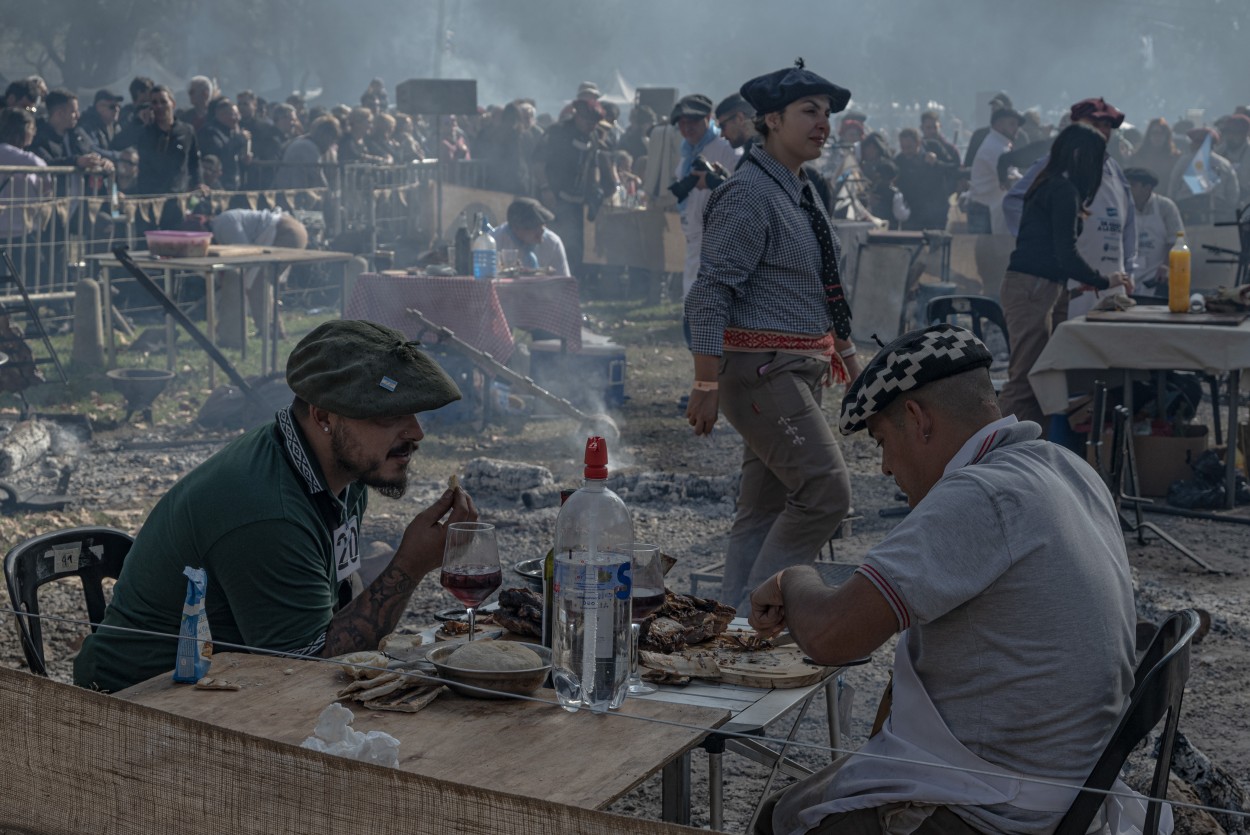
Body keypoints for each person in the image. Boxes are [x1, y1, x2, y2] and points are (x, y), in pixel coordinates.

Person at [751, 324, 1139, 835]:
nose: (887, 467)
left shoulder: (981, 494)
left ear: (917, 418)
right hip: (1070, 784)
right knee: (808, 796)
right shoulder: (1066, 467)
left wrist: (791, 577)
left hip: (997, 800)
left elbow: (830, 636)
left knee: (779, 819)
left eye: (883, 443)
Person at [74, 320, 472, 693]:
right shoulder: (268, 510)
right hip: (139, 700)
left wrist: (395, 562)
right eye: (390, 416)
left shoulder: (339, 469)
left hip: (224, 683)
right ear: (323, 416)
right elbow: (306, 671)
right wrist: (410, 564)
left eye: (415, 412)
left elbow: (332, 587)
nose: (416, 432)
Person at [684, 60, 859, 612]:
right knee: (826, 491)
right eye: (809, 111)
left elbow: (823, 286)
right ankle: (763, 612)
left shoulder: (801, 191)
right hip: (763, 372)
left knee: (764, 508)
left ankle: (731, 630)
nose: (822, 124)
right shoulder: (748, 194)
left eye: (826, 114)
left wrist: (852, 363)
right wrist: (705, 382)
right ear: (771, 120)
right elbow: (710, 291)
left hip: (795, 367)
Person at [998, 124, 1133, 428]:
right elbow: (1066, 253)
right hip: (1032, 286)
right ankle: (993, 457)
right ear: (1079, 155)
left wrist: (1073, 283)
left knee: (1045, 377)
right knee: (1026, 379)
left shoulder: (1052, 185)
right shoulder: (1063, 190)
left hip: (1043, 285)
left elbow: (1055, 253)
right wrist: (1104, 280)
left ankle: (1034, 450)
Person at [1004, 98, 1137, 319]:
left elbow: (1129, 224)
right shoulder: (1056, 164)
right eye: (1095, 124)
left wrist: (1129, 271)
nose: (1102, 131)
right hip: (1070, 280)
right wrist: (1047, 246)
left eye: (1107, 125)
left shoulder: (1116, 171)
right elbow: (1015, 201)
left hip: (1111, 282)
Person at [671, 93, 739, 299]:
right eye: (682, 123)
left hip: (718, 237)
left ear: (707, 119)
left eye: (692, 121)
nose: (687, 128)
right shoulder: (686, 154)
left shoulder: (726, 150)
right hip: (695, 235)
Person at [1124, 167, 1184, 298]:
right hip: (1129, 274)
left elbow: (1175, 241)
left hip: (1156, 275)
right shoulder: (1123, 207)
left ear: (1147, 188)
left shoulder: (1165, 207)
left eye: (1133, 185)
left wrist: (1166, 266)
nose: (1127, 189)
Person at [965, 107, 1022, 233]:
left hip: (989, 207)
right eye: (1012, 124)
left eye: (1017, 124)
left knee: (988, 250)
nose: (1016, 128)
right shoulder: (995, 147)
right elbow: (1011, 179)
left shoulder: (999, 144)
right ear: (999, 124)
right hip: (984, 209)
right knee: (985, 251)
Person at [1167, 127, 1241, 224]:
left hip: (1187, 208)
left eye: (1194, 142)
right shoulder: (1224, 163)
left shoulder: (1184, 161)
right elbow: (1233, 194)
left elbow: (1173, 186)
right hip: (1218, 211)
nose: (1191, 144)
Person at [491, 197, 571, 275]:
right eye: (534, 227)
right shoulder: (495, 241)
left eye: (542, 224)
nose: (541, 230)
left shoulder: (553, 243)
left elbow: (564, 281)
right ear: (516, 228)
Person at [1129, 117, 1181, 187]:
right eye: (1154, 133)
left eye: (1161, 133)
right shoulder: (1139, 156)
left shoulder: (1174, 157)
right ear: (1149, 135)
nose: (1157, 137)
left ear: (1166, 136)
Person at [1217, 113, 1250, 207]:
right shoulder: (1219, 151)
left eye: (1235, 133)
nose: (1230, 136)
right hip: (1223, 204)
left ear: (1244, 134)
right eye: (1228, 132)